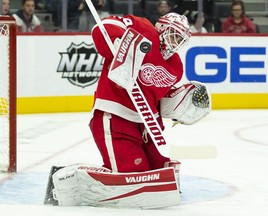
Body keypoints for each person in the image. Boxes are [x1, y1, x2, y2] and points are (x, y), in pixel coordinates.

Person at [46, 12, 211, 208]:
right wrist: (121, 44)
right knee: (133, 174)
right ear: (161, 28)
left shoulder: (175, 66)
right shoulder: (142, 27)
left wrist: (182, 104)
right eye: (173, 35)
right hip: (115, 116)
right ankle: (70, 180)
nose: (175, 43)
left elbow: (161, 100)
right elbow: (102, 27)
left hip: (148, 125)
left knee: (160, 169)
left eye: (180, 39)